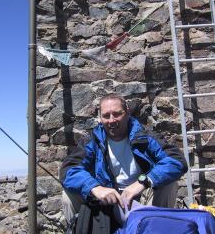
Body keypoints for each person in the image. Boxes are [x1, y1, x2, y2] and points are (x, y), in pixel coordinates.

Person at [59, 93, 188, 223]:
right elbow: (69, 169)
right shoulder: (92, 141)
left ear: (127, 113)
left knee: (169, 184)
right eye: (106, 116)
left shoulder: (145, 137)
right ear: (100, 118)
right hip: (106, 200)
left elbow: (176, 161)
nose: (111, 120)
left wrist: (143, 182)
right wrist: (95, 188)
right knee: (68, 195)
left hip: (141, 198)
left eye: (117, 114)